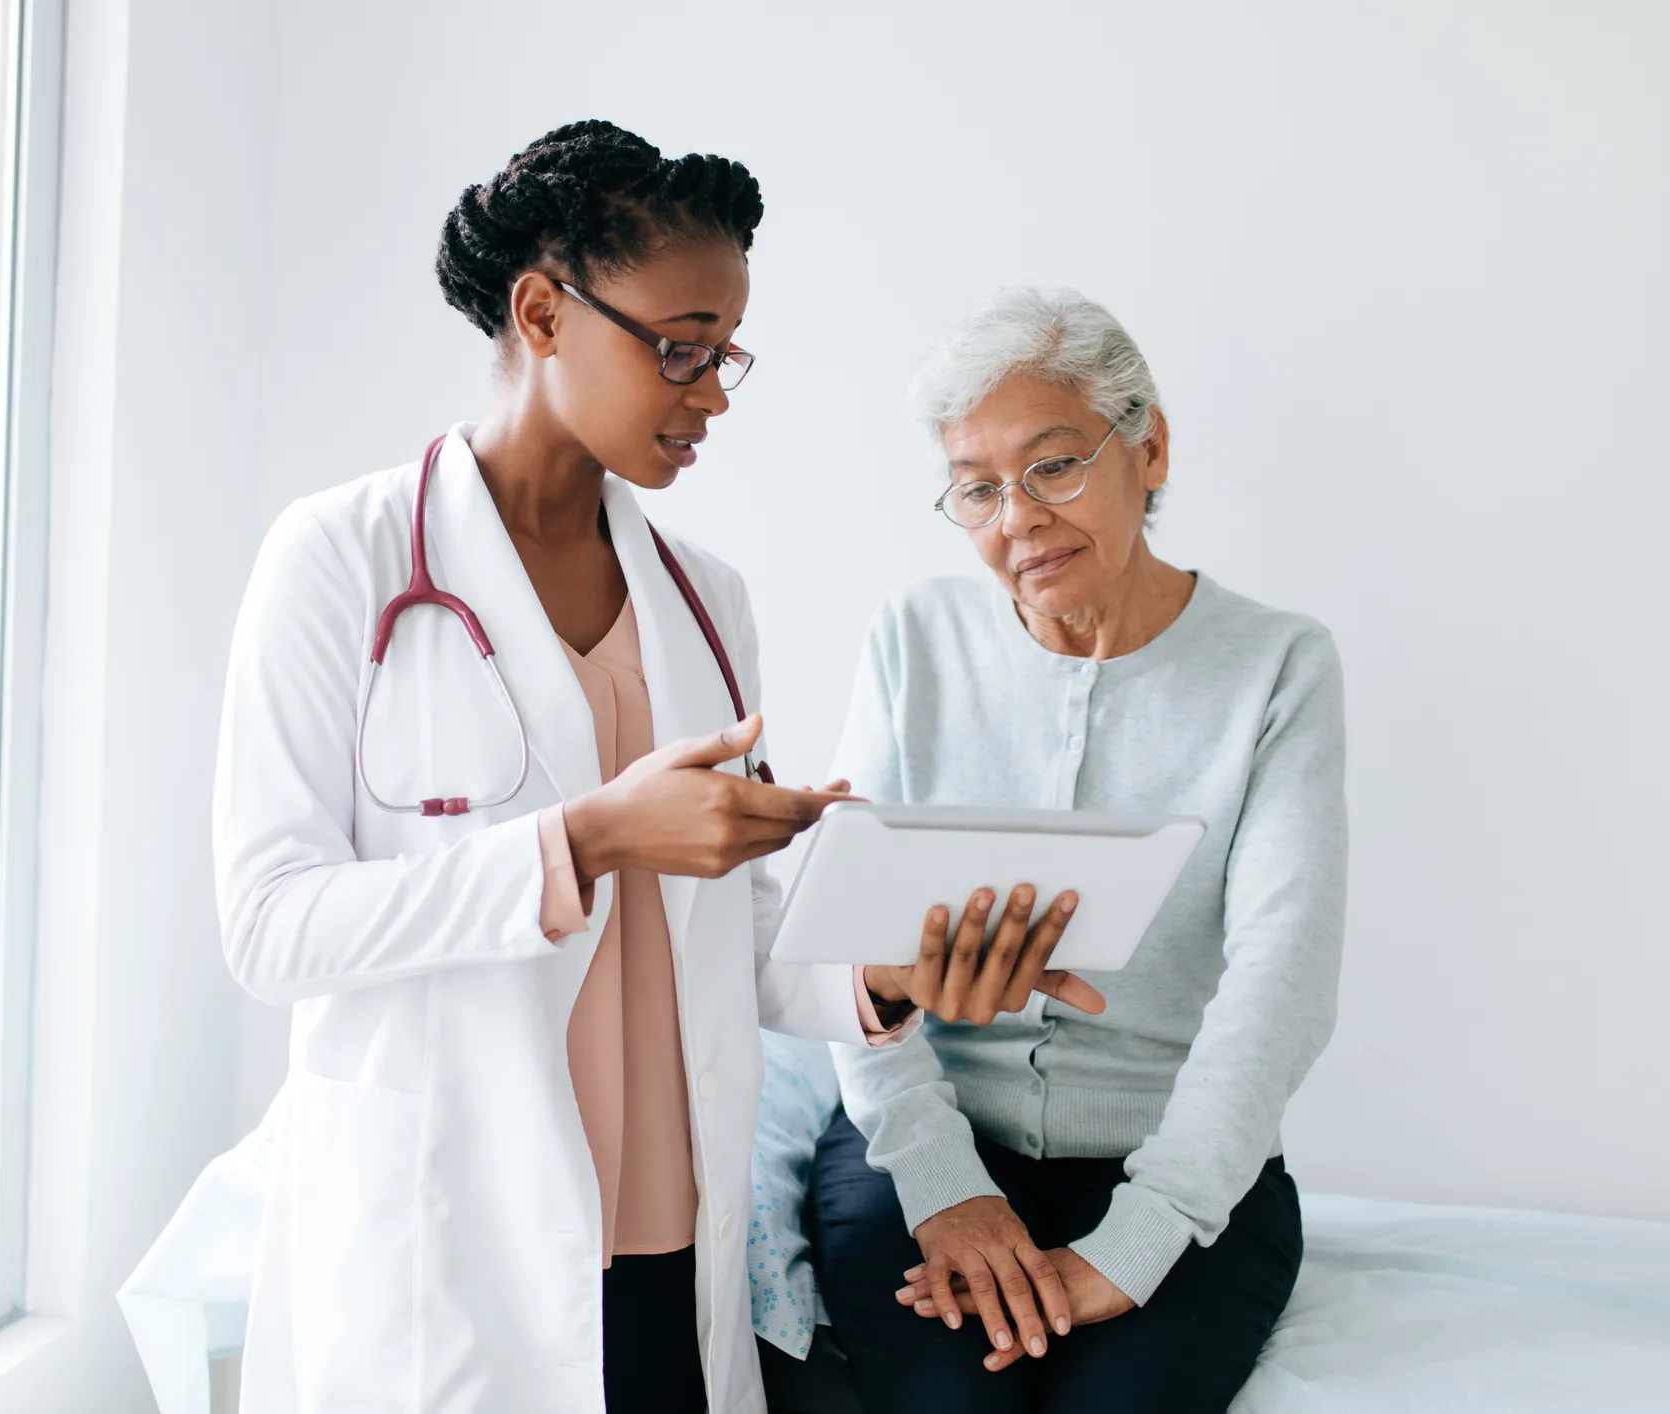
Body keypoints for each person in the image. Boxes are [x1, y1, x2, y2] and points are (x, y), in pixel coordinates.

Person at [163, 125, 1102, 1414]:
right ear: (542, 310)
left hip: (668, 1228)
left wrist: (891, 969)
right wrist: (588, 839)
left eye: (727, 357)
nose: (711, 392)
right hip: (451, 1238)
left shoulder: (706, 601)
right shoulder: (339, 557)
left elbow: (735, 932)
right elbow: (271, 929)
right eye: (680, 347)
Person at [803, 289, 1347, 1414]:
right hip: (923, 1147)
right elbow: (846, 943)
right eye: (977, 487)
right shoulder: (914, 637)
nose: (1018, 519)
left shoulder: (1279, 666)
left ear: (1147, 447)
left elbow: (1281, 982)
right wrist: (947, 1188)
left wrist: (1138, 1238)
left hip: (1186, 1168)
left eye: (1053, 466)